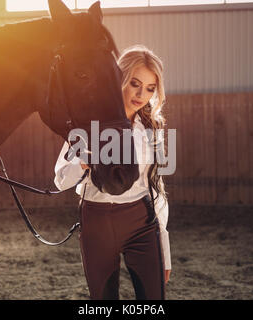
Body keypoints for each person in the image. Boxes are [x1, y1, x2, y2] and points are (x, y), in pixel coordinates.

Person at [54, 45, 171, 300]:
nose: (142, 95)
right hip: (96, 223)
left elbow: (156, 188)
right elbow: (60, 178)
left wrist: (165, 249)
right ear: (119, 79)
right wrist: (82, 163)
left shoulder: (152, 128)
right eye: (135, 84)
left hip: (141, 222)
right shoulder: (86, 124)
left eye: (150, 88)